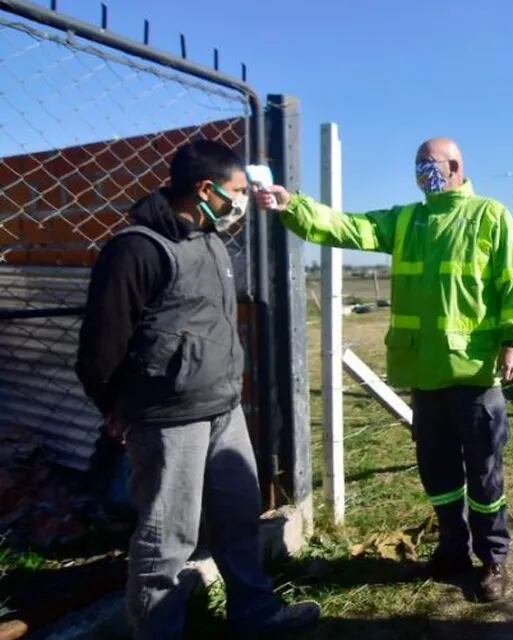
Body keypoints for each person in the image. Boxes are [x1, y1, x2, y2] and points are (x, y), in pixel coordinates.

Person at [257, 137, 513, 602]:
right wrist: (293, 206)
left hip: (474, 375)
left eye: (430, 164)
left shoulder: (490, 216)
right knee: (439, 472)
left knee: (485, 475)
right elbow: (349, 226)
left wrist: (512, 341)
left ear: (456, 165)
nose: (423, 171)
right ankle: (452, 549)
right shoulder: (407, 219)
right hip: (423, 374)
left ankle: (493, 560)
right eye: (418, 165)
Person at [75, 140, 321, 639]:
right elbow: (99, 349)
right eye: (235, 194)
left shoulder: (210, 240)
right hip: (167, 420)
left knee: (238, 518)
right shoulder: (137, 250)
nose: (240, 206)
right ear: (204, 190)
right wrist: (116, 407)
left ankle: (254, 613)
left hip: (223, 412)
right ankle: (158, 631)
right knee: (168, 539)